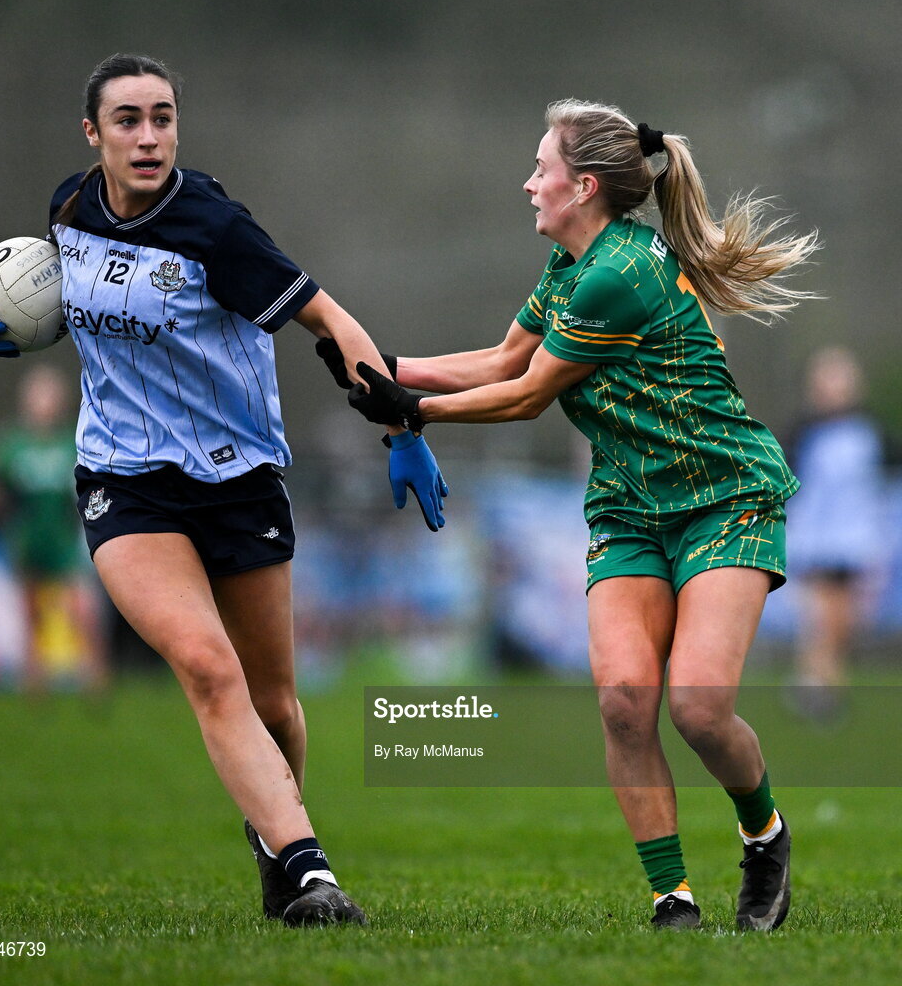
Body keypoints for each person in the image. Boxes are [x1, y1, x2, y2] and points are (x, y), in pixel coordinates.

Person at [0, 52, 449, 928]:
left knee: (274, 707)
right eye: (130, 119)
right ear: (93, 133)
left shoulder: (215, 227)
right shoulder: (69, 209)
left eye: (164, 117)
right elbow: (71, 291)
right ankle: (308, 870)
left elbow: (328, 321)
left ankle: (273, 846)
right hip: (124, 480)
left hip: (240, 478)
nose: (149, 136)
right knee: (208, 670)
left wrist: (402, 429)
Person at [323, 99, 819, 931]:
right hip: (629, 503)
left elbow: (523, 397)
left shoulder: (615, 274)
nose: (528, 184)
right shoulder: (568, 264)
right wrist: (388, 367)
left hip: (725, 495)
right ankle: (673, 901)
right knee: (625, 699)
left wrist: (412, 409)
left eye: (540, 170)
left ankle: (763, 832)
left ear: (583, 185)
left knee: (697, 707)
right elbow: (505, 356)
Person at [0, 364, 109, 692]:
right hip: (27, 536)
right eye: (39, 395)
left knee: (80, 605)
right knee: (29, 611)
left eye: (51, 395)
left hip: (64, 536)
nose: (45, 403)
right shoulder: (12, 443)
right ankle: (33, 680)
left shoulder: (73, 440)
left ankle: (96, 677)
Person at [785, 347, 884, 716]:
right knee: (822, 619)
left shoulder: (868, 430)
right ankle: (817, 690)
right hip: (815, 539)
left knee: (845, 621)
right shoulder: (803, 432)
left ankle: (821, 684)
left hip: (853, 540)